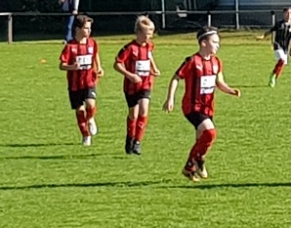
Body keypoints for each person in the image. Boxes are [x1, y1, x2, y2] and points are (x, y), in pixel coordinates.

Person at [163, 27, 242, 182]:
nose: (218, 45)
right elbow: (176, 78)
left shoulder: (216, 62)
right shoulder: (192, 61)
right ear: (204, 43)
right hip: (192, 107)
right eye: (215, 42)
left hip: (208, 107)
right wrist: (170, 98)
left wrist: (231, 91)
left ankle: (191, 168)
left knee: (202, 139)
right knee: (210, 133)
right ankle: (196, 161)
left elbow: (219, 82)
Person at [113, 16, 161, 155]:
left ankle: (138, 142)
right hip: (131, 87)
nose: (150, 37)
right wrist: (130, 75)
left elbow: (149, 56)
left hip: (146, 84)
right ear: (138, 33)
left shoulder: (149, 45)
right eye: (147, 34)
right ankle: (130, 138)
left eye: (151, 33)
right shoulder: (129, 48)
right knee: (133, 114)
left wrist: (154, 68)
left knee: (144, 110)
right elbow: (117, 64)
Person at [59, 15, 104, 146]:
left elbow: (95, 55)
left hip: (89, 80)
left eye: (90, 28)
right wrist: (71, 67)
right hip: (74, 84)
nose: (89, 31)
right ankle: (85, 135)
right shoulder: (70, 46)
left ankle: (91, 119)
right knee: (80, 110)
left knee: (90, 103)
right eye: (86, 28)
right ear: (78, 29)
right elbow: (62, 65)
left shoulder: (92, 43)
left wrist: (99, 67)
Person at [257, 7, 291, 87]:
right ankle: (273, 77)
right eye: (287, 13)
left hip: (286, 48)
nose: (289, 15)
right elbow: (271, 31)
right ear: (284, 14)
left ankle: (274, 76)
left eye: (290, 13)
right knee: (281, 60)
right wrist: (263, 36)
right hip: (277, 45)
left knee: (282, 64)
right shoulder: (279, 24)